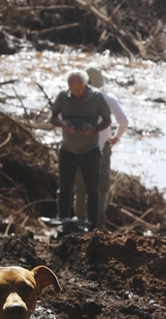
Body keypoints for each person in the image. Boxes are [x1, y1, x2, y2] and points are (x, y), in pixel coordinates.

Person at [50, 71, 111, 232]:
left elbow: (107, 120)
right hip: (68, 149)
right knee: (65, 188)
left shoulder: (97, 97)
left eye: (80, 89)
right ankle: (63, 220)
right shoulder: (63, 96)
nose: (77, 93)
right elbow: (53, 117)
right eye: (73, 89)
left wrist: (94, 129)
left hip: (90, 150)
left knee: (92, 189)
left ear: (86, 85)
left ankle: (92, 224)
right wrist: (63, 124)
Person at [73, 67, 129, 226]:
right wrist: (116, 137)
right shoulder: (108, 98)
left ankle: (80, 222)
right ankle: (96, 223)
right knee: (101, 186)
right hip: (101, 148)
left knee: (81, 187)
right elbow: (124, 121)